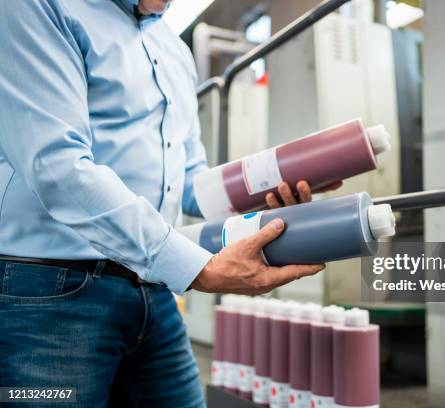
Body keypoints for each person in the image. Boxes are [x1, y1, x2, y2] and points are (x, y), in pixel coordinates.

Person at [0, 1, 337, 406]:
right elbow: (56, 167)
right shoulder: (38, 6)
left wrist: (269, 188)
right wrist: (197, 267)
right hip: (50, 293)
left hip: (153, 288)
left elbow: (189, 179)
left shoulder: (174, 50)